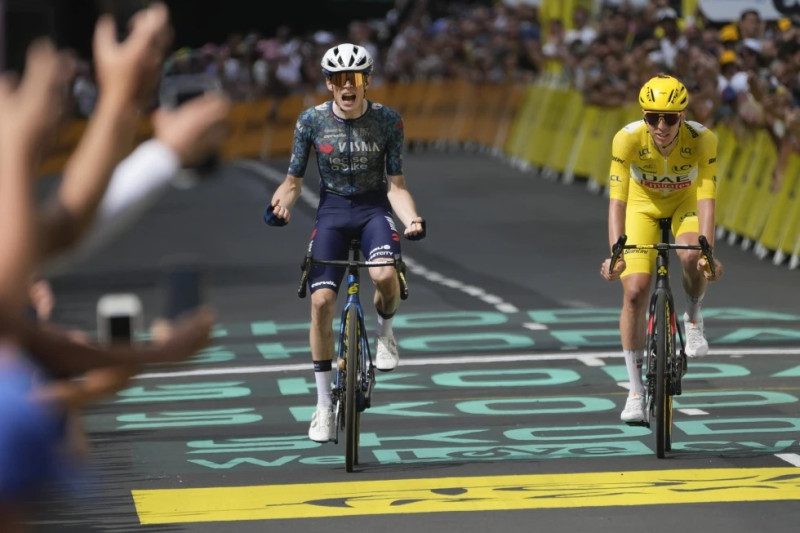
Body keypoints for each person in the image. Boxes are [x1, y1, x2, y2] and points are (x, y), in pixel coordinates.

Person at [266, 43, 425, 443]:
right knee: (321, 302)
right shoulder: (310, 122)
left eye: (354, 79)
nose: (347, 86)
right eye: (339, 80)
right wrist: (277, 208)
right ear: (329, 84)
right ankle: (322, 405)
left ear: (367, 82)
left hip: (373, 209)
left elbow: (396, 186)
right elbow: (292, 183)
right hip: (333, 212)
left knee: (385, 275)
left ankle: (385, 332)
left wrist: (412, 220)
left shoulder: (389, 121)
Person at [600, 73, 723, 425]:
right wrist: (615, 253)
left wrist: (708, 254)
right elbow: (617, 201)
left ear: (683, 116)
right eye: (652, 117)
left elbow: (706, 200)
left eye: (669, 118)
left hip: (685, 204)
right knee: (636, 292)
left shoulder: (703, 140)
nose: (661, 125)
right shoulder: (626, 139)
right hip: (642, 206)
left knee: (691, 256)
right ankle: (636, 391)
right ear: (643, 116)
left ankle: (694, 316)